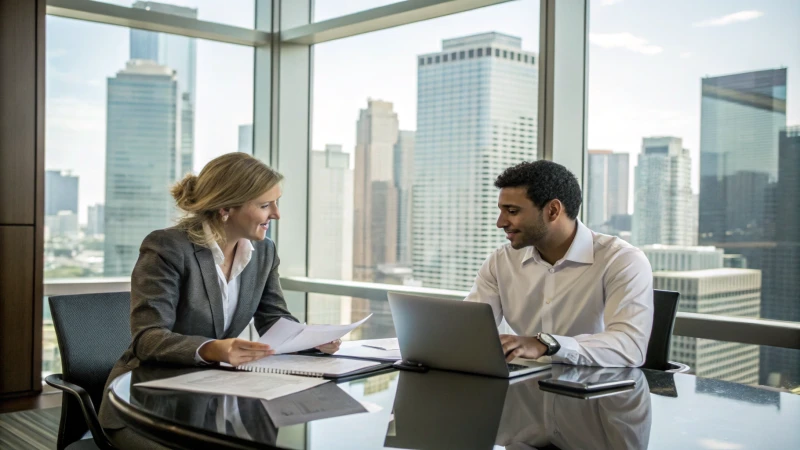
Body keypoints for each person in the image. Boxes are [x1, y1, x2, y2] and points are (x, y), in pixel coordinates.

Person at [99, 152, 340, 448]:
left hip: (213, 393)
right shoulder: (168, 247)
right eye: (265, 205)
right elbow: (147, 338)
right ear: (226, 207)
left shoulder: (263, 252)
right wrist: (213, 349)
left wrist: (309, 338)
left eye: (276, 203)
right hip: (147, 403)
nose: (276, 214)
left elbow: (275, 320)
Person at [465, 160, 653, 367]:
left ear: (553, 210)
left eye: (512, 211)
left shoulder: (621, 260)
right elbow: (469, 328)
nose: (500, 222)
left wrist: (547, 344)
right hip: (526, 388)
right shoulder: (501, 261)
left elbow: (630, 347)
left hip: (596, 391)